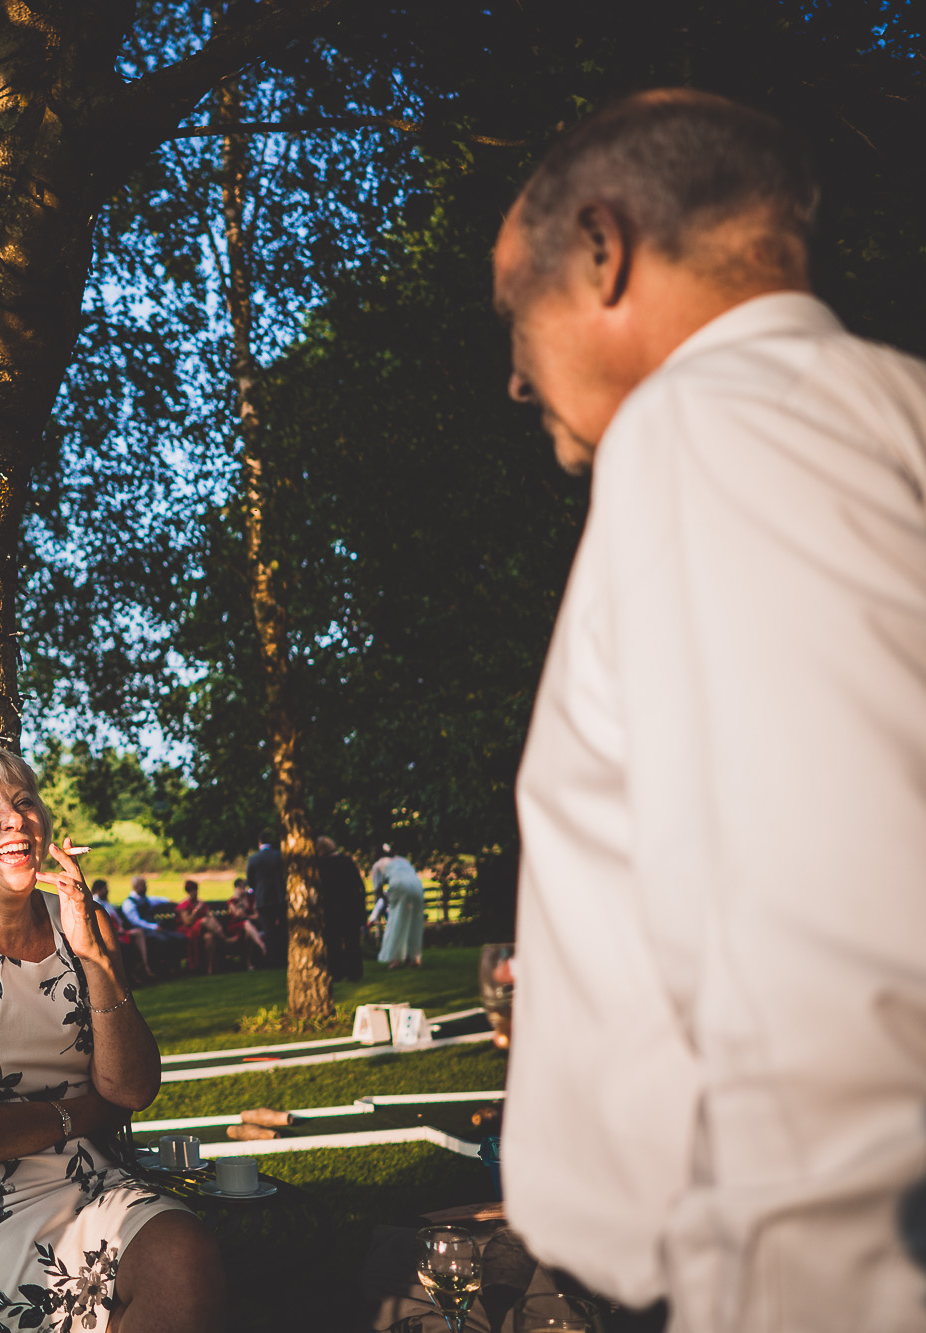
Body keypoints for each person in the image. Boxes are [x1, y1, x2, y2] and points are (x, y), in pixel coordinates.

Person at [496, 90, 926, 1330]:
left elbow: (827, 961)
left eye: (510, 314)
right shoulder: (886, 408)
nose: (513, 382)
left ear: (598, 248)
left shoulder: (713, 426)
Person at [0, 743, 224, 1332]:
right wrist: (88, 1112)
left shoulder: (81, 921)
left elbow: (134, 1088)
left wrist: (93, 956)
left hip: (101, 1178)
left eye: (24, 802)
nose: (15, 819)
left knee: (185, 1262)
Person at [312, 837, 365, 981]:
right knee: (352, 941)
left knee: (333, 942)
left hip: (332, 908)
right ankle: (355, 972)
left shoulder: (323, 865)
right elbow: (359, 885)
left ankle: (336, 972)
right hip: (351, 906)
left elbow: (322, 890)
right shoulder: (347, 860)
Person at [90, 877, 156, 981]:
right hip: (107, 934)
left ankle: (145, 965)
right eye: (105, 888)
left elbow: (118, 919)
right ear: (98, 890)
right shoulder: (96, 903)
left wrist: (120, 927)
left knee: (139, 933)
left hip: (117, 931)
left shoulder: (106, 903)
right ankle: (131, 974)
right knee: (123, 945)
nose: (107, 891)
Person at [370, 852, 426, 968]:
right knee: (415, 921)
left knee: (395, 921)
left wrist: (385, 900)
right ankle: (415, 958)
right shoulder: (402, 860)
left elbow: (377, 889)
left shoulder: (378, 864)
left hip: (399, 886)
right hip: (417, 885)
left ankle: (394, 959)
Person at [173, 878, 230, 974]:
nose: (195, 892)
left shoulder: (201, 903)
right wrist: (196, 911)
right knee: (203, 921)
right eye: (192, 890)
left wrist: (217, 925)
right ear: (188, 892)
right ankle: (225, 939)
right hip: (188, 930)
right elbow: (187, 922)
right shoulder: (184, 905)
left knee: (210, 937)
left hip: (203, 931)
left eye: (196, 890)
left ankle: (210, 968)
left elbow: (210, 917)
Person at [244, 836, 286, 964]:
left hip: (263, 898)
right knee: (282, 928)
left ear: (259, 842)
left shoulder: (254, 858)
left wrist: (257, 889)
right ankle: (283, 957)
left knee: (268, 929)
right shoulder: (280, 856)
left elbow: (250, 880)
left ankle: (270, 959)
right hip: (279, 897)